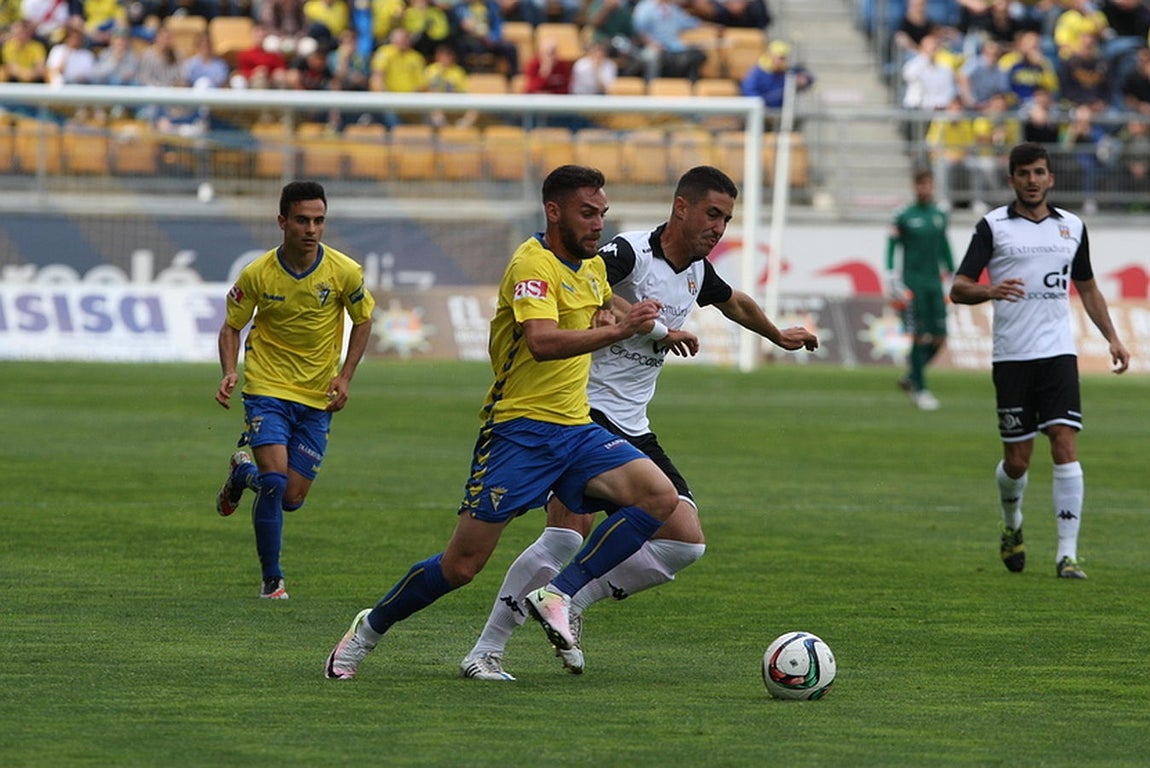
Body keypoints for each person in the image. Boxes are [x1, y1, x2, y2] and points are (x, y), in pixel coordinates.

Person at [458, 166, 818, 681]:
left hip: (633, 421)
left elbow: (733, 300)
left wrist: (777, 334)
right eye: (712, 214)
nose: (718, 228)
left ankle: (569, 602)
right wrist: (648, 324)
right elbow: (587, 281)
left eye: (726, 219)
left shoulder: (696, 269)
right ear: (681, 208)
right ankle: (487, 650)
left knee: (684, 540)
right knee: (565, 537)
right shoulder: (629, 252)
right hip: (580, 410)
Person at [324, 165, 680, 680]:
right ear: (553, 211)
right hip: (519, 433)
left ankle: (559, 594)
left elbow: (603, 301)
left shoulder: (592, 267)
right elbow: (541, 340)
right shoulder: (531, 265)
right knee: (460, 567)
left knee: (658, 498)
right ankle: (368, 630)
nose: (597, 223)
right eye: (587, 213)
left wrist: (642, 324)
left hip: (577, 429)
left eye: (602, 213)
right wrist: (617, 330)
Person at [949, 142, 1130, 580]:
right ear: (1011, 179)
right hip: (1012, 356)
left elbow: (1086, 287)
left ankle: (1067, 555)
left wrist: (1113, 338)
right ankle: (1012, 525)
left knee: (1065, 443)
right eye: (1024, 173)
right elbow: (959, 288)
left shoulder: (1071, 227)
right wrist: (990, 290)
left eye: (1039, 173)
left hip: (1057, 354)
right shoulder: (993, 227)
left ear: (1050, 178)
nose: (1032, 180)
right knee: (1018, 462)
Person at [214, 181, 376, 600]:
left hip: (317, 397)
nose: (311, 228)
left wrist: (345, 376)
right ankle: (273, 581)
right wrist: (230, 370)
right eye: (302, 220)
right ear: (282, 221)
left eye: (319, 221)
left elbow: (363, 320)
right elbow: (232, 325)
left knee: (290, 497)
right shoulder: (257, 273)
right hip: (266, 388)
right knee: (274, 482)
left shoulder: (344, 271)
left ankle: (240, 473)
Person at [886, 167, 954, 412]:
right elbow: (892, 246)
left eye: (927, 184)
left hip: (934, 283)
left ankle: (912, 376)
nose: (923, 188)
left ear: (932, 186)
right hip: (912, 284)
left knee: (940, 336)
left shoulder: (940, 214)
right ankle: (920, 390)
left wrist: (952, 271)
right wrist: (891, 274)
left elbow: (944, 244)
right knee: (917, 335)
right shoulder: (903, 215)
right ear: (914, 187)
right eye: (919, 184)